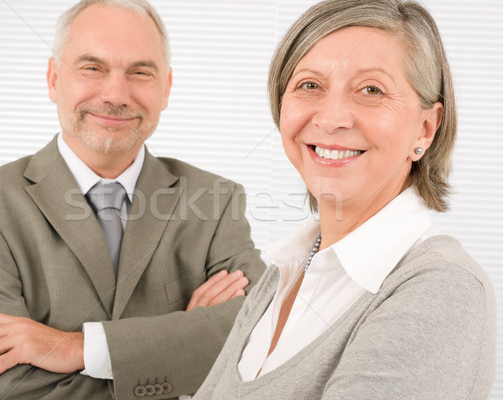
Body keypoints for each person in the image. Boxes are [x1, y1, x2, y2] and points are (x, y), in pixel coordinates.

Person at [0, 1, 266, 399]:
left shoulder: (216, 202)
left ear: (165, 88)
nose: (115, 93)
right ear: (53, 78)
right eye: (92, 68)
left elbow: (263, 336)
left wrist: (77, 348)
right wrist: (183, 342)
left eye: (140, 72)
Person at [194, 0, 496, 398]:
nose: (331, 117)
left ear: (425, 129)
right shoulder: (285, 270)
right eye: (310, 85)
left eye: (371, 90)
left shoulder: (443, 289)